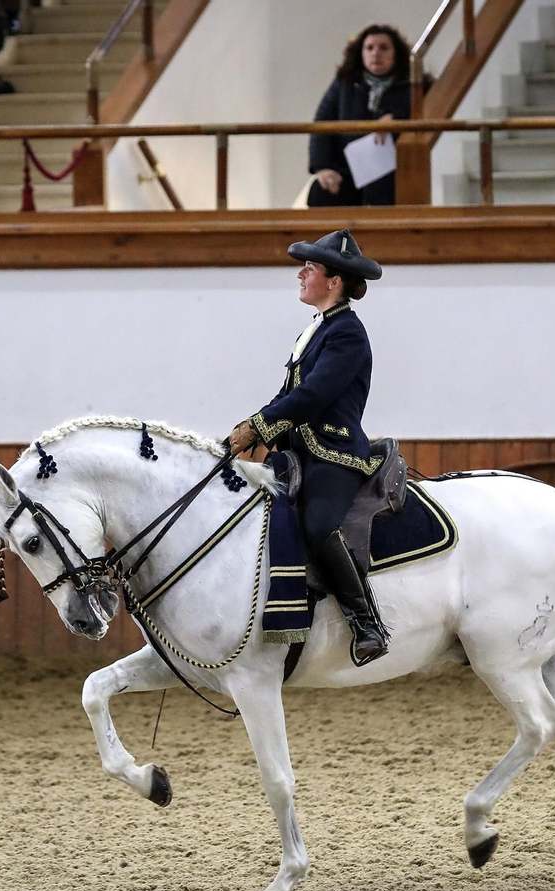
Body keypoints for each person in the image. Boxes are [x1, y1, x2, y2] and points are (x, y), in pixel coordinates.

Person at [227, 230, 389, 666]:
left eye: (310, 269)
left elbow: (314, 395)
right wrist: (252, 429)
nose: (301, 274)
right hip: (298, 453)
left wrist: (258, 425)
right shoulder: (316, 329)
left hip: (333, 454)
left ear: (334, 282)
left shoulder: (348, 334)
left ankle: (366, 621)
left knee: (318, 526)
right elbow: (287, 395)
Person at [308, 24, 423, 208]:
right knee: (322, 191)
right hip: (347, 169)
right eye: (369, 48)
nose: (376, 53)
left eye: (383, 48)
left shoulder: (414, 85)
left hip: (393, 171)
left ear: (396, 53)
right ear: (360, 53)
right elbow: (321, 125)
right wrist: (323, 168)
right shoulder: (344, 83)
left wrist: (396, 119)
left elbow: (424, 114)